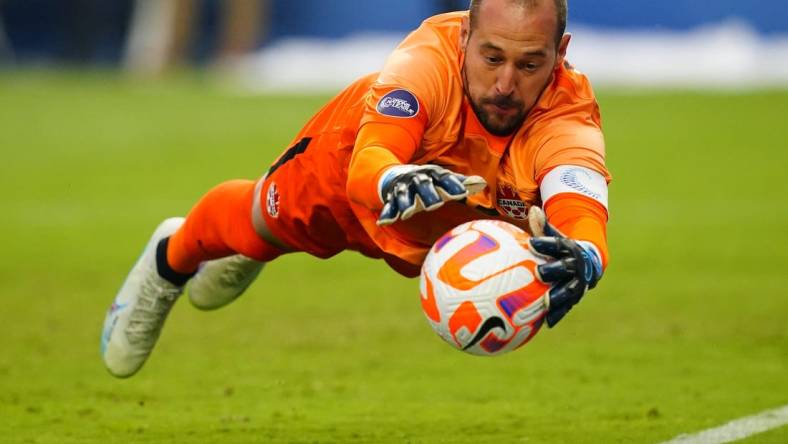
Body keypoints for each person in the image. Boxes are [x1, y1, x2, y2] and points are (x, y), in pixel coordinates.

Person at [101, 0, 611, 378]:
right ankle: (171, 258)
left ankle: (240, 251)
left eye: (528, 65)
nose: (504, 84)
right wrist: (395, 178)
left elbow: (583, 210)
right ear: (464, 38)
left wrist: (585, 257)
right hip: (353, 169)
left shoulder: (568, 117)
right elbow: (372, 160)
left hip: (457, 219)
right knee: (260, 226)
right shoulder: (425, 62)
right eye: (491, 57)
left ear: (560, 53)